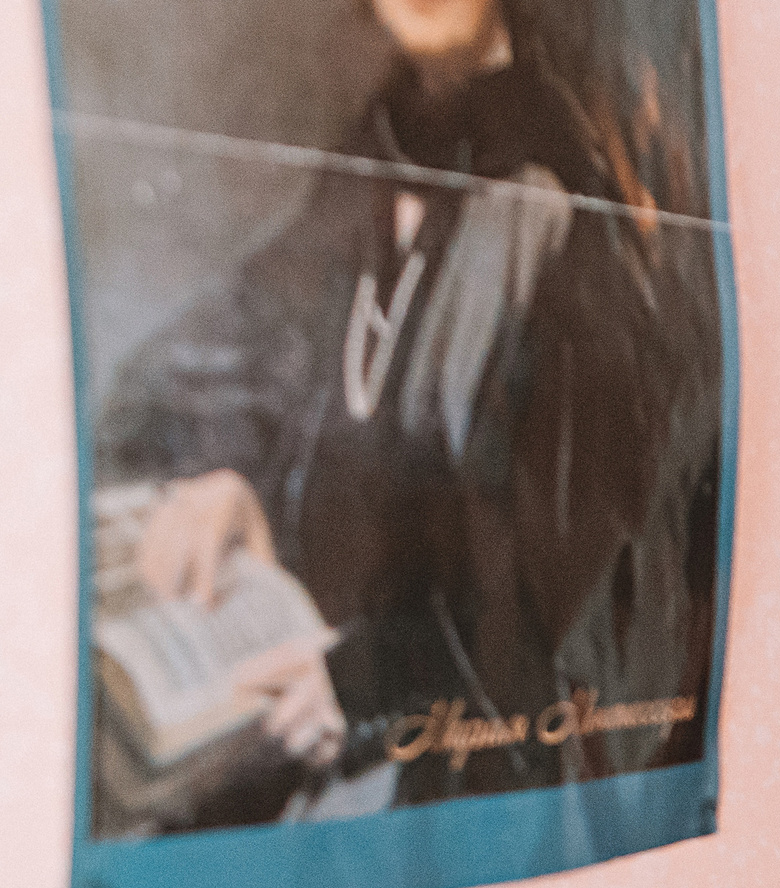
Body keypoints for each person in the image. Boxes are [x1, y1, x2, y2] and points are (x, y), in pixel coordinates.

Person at [94, 0, 722, 828]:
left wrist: (362, 684)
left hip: (461, 779)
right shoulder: (374, 150)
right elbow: (244, 349)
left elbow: (567, 603)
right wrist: (234, 473)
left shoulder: (568, 209)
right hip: (304, 676)